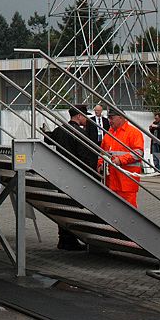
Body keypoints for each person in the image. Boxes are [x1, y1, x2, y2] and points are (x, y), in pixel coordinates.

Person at [47, 105, 101, 250]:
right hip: (76, 177)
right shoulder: (79, 133)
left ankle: (63, 239)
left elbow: (48, 140)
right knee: (73, 209)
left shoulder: (60, 130)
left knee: (63, 206)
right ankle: (70, 240)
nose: (86, 120)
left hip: (61, 174)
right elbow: (85, 157)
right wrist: (93, 174)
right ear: (78, 116)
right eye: (85, 116)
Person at [99, 109, 144, 207]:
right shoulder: (109, 134)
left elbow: (138, 152)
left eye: (112, 118)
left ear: (121, 117)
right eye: (109, 118)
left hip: (127, 182)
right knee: (113, 209)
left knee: (128, 211)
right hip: (111, 181)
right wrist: (100, 165)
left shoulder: (133, 133)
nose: (110, 121)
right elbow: (102, 153)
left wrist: (120, 160)